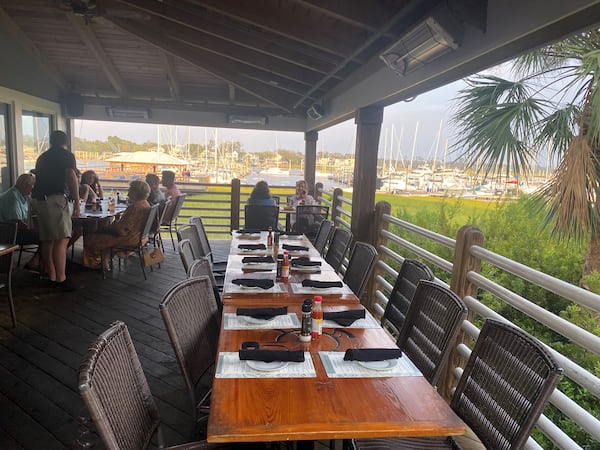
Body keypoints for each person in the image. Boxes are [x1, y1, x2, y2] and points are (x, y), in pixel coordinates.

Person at [31, 130, 80, 291]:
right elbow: (71, 177)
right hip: (56, 200)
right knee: (62, 239)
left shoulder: (42, 157)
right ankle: (61, 278)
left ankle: (51, 276)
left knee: (47, 240)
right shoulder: (66, 156)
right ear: (66, 142)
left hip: (40, 201)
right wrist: (77, 202)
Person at [84, 179, 151, 271]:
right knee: (103, 230)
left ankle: (94, 263)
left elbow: (122, 229)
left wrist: (107, 228)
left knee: (90, 237)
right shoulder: (145, 204)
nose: (128, 193)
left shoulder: (135, 207)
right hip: (140, 237)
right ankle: (104, 261)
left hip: (128, 239)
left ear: (136, 192)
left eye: (130, 190)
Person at [0, 173, 40, 269]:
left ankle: (40, 262)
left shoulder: (22, 196)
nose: (33, 188)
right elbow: (16, 223)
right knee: (46, 237)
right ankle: (34, 263)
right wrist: (33, 229)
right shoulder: (13, 198)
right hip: (9, 234)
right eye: (32, 185)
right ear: (24, 185)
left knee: (47, 235)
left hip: (15, 231)